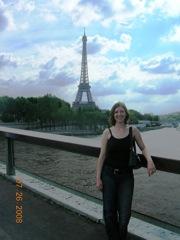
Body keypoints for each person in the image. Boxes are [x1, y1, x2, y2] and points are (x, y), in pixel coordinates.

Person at [96, 102, 156, 240]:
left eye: (121, 111)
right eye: (116, 112)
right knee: (109, 213)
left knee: (125, 214)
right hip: (108, 175)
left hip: (126, 177)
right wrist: (98, 178)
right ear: (113, 115)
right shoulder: (107, 132)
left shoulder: (133, 130)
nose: (119, 114)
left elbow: (143, 147)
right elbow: (102, 156)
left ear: (126, 114)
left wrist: (150, 160)